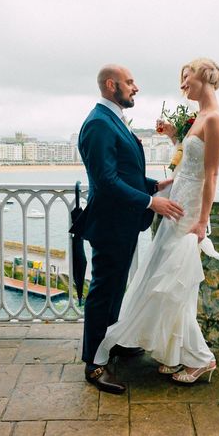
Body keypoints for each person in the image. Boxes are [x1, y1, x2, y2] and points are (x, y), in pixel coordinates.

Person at [94, 58, 219, 385]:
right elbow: (188, 161)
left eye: (187, 77)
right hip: (176, 202)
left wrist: (202, 222)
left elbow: (210, 174)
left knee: (175, 286)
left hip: (190, 212)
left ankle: (201, 359)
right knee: (165, 282)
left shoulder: (215, 119)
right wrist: (173, 139)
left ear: (205, 77)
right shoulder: (199, 118)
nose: (182, 84)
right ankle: (176, 354)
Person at [70, 64, 182, 394]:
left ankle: (111, 343)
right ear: (111, 85)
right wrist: (151, 203)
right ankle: (93, 363)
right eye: (130, 82)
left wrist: (154, 185)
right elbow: (105, 181)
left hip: (122, 222)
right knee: (104, 291)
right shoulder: (98, 124)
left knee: (116, 287)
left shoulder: (111, 119)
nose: (136, 87)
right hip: (110, 224)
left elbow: (124, 172)